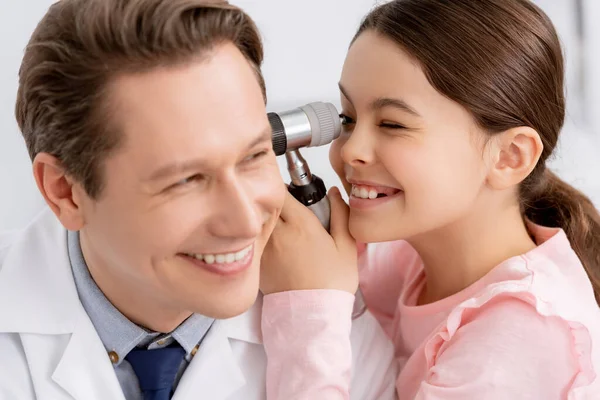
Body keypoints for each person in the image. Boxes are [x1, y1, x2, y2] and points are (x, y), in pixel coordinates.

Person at [0, 0, 397, 399]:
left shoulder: (332, 329)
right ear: (65, 192)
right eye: (186, 180)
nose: (246, 223)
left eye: (254, 155)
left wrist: (313, 328)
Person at [259, 0, 600, 398]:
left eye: (392, 124)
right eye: (349, 119)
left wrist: (310, 311)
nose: (350, 150)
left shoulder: (522, 335)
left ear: (510, 157)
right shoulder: (407, 263)